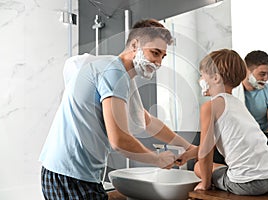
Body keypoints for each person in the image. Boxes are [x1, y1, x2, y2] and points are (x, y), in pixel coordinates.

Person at [39, 18, 196, 200]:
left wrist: (188, 147)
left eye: (163, 56)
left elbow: (147, 121)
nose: (159, 62)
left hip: (64, 171)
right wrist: (157, 159)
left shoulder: (116, 72)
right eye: (155, 53)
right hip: (72, 175)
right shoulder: (114, 72)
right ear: (135, 44)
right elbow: (119, 141)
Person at [192, 49, 268, 195]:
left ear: (215, 78)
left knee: (198, 167)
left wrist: (205, 183)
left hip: (248, 184)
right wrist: (186, 154)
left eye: (202, 75)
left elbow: (205, 152)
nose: (200, 80)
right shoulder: (238, 104)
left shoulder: (210, 107)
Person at [232, 50, 268, 132]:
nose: (266, 78)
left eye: (267, 73)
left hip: (265, 139)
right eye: (262, 74)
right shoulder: (233, 91)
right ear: (247, 71)